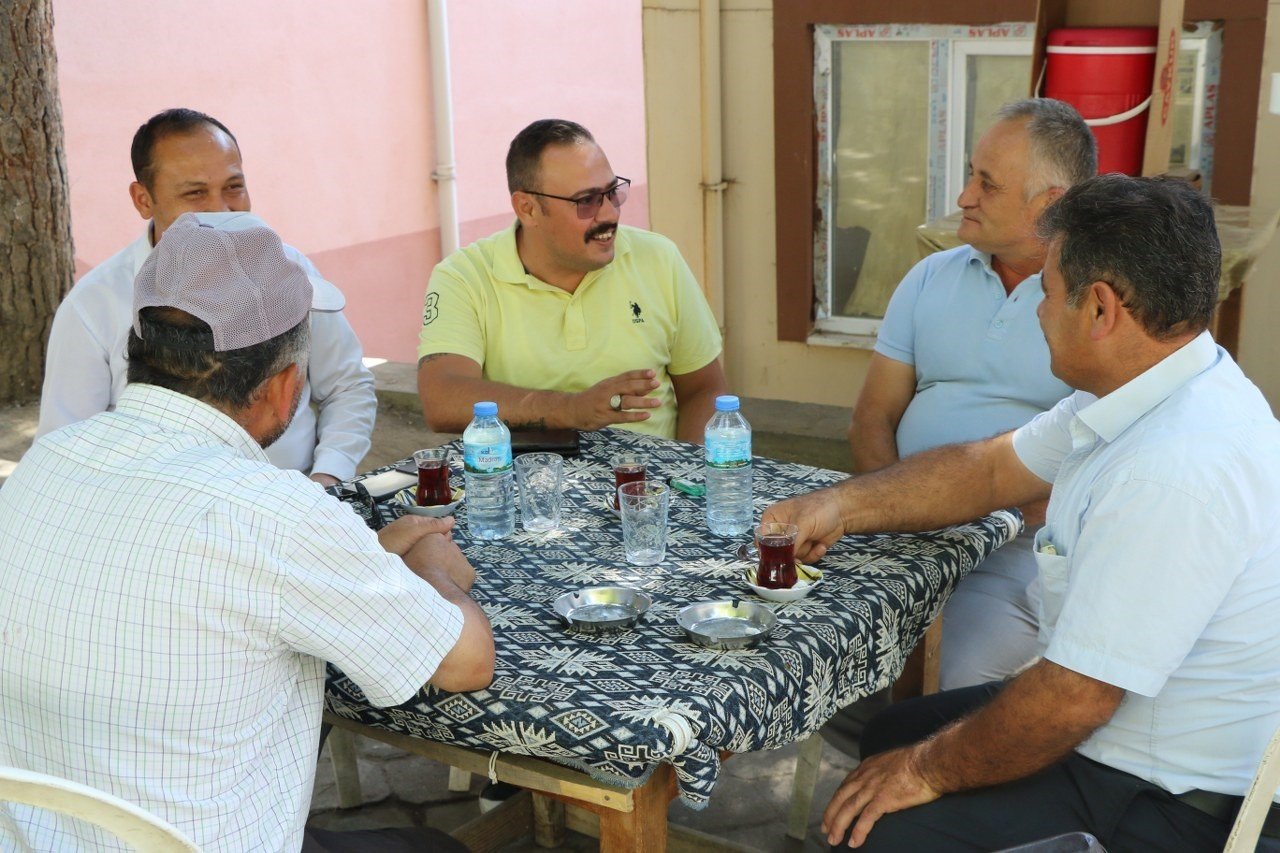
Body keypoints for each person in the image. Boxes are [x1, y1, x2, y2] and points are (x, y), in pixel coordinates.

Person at [765, 175, 1280, 851]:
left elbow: (1074, 697)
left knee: (880, 824)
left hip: (1166, 799)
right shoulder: (1157, 383)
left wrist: (925, 771)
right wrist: (841, 503)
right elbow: (991, 466)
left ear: (1100, 308)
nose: (1036, 309)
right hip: (1116, 735)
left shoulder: (1174, 466)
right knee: (890, 732)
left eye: (1046, 289)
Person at [0, 214, 495, 852]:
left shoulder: (49, 460)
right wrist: (428, 561)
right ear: (285, 385)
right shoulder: (272, 512)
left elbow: (194, 579)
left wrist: (362, 559)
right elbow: (466, 662)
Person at [847, 99, 1094, 694]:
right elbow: (872, 417)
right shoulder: (931, 276)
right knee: (791, 627)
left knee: (954, 680)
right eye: (970, 176)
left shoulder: (1095, 303)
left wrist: (986, 517)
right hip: (902, 533)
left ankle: (915, 771)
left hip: (1020, 548)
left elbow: (1104, 458)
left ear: (1051, 202)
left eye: (987, 183)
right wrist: (897, 510)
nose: (963, 197)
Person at [36, 107, 376, 486]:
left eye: (234, 187)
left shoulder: (288, 270)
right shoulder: (93, 306)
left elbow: (348, 385)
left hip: (295, 494)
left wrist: (329, 476)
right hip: (165, 516)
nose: (221, 209)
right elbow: (65, 445)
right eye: (195, 193)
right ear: (143, 199)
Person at [417, 118, 727, 443]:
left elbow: (703, 388)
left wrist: (688, 479)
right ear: (529, 208)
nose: (609, 214)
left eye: (612, 193)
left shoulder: (658, 258)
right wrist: (572, 409)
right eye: (587, 201)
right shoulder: (465, 277)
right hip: (523, 485)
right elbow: (441, 398)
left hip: (646, 486)